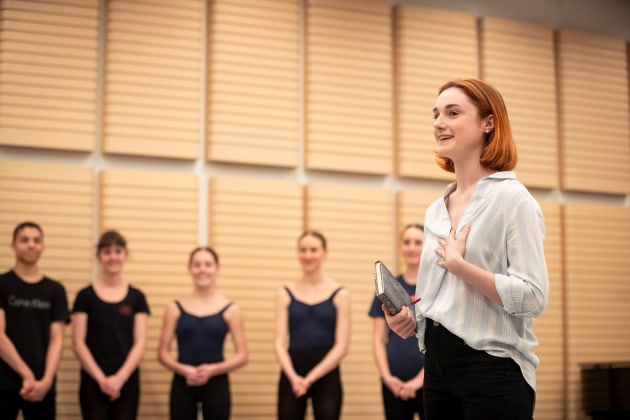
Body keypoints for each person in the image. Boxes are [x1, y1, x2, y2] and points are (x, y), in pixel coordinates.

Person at [384, 78, 549, 420]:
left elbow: (533, 297)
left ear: (488, 123)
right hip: (437, 367)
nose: (438, 123)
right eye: (436, 114)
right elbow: (442, 302)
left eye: (453, 112)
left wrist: (462, 267)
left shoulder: (513, 199)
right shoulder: (435, 210)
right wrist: (411, 320)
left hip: (493, 369)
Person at [157, 246, 248, 420]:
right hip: (182, 382)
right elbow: (162, 353)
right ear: (189, 269)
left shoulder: (231, 309)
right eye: (197, 265)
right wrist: (183, 370)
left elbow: (243, 356)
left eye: (208, 264)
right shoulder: (174, 308)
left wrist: (213, 370)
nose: (202, 270)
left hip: (217, 383)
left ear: (217, 268)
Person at [71, 230, 150, 420]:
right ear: (99, 256)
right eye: (107, 251)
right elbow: (78, 343)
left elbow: (140, 343)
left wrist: (119, 379)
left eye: (118, 251)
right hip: (93, 380)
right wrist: (102, 380)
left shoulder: (137, 298)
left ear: (125, 255)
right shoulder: (85, 296)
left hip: (127, 381)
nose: (112, 256)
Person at [274, 230, 351, 420]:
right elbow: (279, 342)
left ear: (324, 252)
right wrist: (294, 377)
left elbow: (342, 346)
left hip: (327, 373)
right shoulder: (284, 293)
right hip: (292, 373)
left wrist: (310, 379)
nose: (308, 256)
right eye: (303, 250)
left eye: (314, 250)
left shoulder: (340, 294)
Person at [0, 221, 69, 419]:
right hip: (4, 383)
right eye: (24, 240)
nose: (31, 245)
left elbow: (57, 339)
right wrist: (26, 374)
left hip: (42, 386)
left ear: (43, 246)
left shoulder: (55, 290)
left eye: (36, 240)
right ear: (13, 245)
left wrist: (46, 381)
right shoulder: (2, 284)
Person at [369, 223, 425, 420]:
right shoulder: (387, 288)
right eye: (407, 242)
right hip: (393, 383)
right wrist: (387, 378)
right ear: (400, 246)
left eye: (418, 242)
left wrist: (419, 381)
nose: (411, 247)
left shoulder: (435, 289)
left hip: (429, 381)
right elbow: (378, 339)